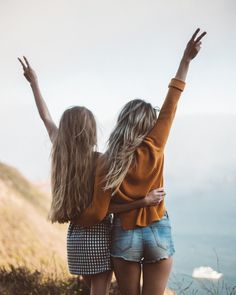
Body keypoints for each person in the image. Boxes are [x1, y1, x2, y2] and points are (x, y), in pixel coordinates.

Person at [18, 56, 166, 295]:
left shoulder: (60, 154)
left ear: (65, 129)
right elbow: (104, 210)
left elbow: (45, 117)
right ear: (89, 131)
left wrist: (34, 83)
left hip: (74, 237)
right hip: (98, 235)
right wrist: (143, 201)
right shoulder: (100, 161)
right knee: (100, 291)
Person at [78, 28, 206, 295]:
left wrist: (72, 217)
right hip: (158, 227)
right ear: (148, 124)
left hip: (125, 233)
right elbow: (172, 101)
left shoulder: (106, 162)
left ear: (123, 121)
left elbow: (101, 212)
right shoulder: (154, 145)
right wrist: (185, 60)